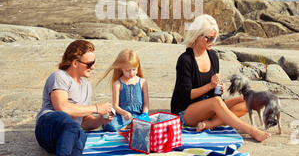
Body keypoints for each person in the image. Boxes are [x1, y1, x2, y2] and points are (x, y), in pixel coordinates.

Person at [171, 14, 271, 142]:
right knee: (216, 102)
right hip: (186, 111)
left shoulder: (212, 56)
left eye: (215, 38)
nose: (212, 42)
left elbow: (213, 94)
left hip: (209, 104)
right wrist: (210, 86)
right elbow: (186, 95)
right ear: (197, 35)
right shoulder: (185, 60)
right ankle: (250, 130)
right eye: (209, 38)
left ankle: (210, 124)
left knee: (249, 99)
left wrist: (218, 89)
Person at [35, 40, 113, 156]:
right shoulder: (59, 77)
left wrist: (101, 120)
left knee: (80, 133)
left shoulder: (86, 86)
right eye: (89, 63)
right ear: (74, 62)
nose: (93, 67)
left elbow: (83, 121)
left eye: (93, 62)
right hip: (47, 128)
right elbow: (62, 107)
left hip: (65, 140)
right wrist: (96, 108)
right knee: (68, 121)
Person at [98, 49, 149, 131]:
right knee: (111, 125)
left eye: (134, 69)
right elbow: (115, 105)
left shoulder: (142, 82)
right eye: (128, 70)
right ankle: (130, 126)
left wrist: (145, 114)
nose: (132, 73)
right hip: (122, 116)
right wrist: (124, 113)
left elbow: (146, 104)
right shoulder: (117, 84)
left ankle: (129, 126)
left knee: (148, 124)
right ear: (121, 68)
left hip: (138, 116)